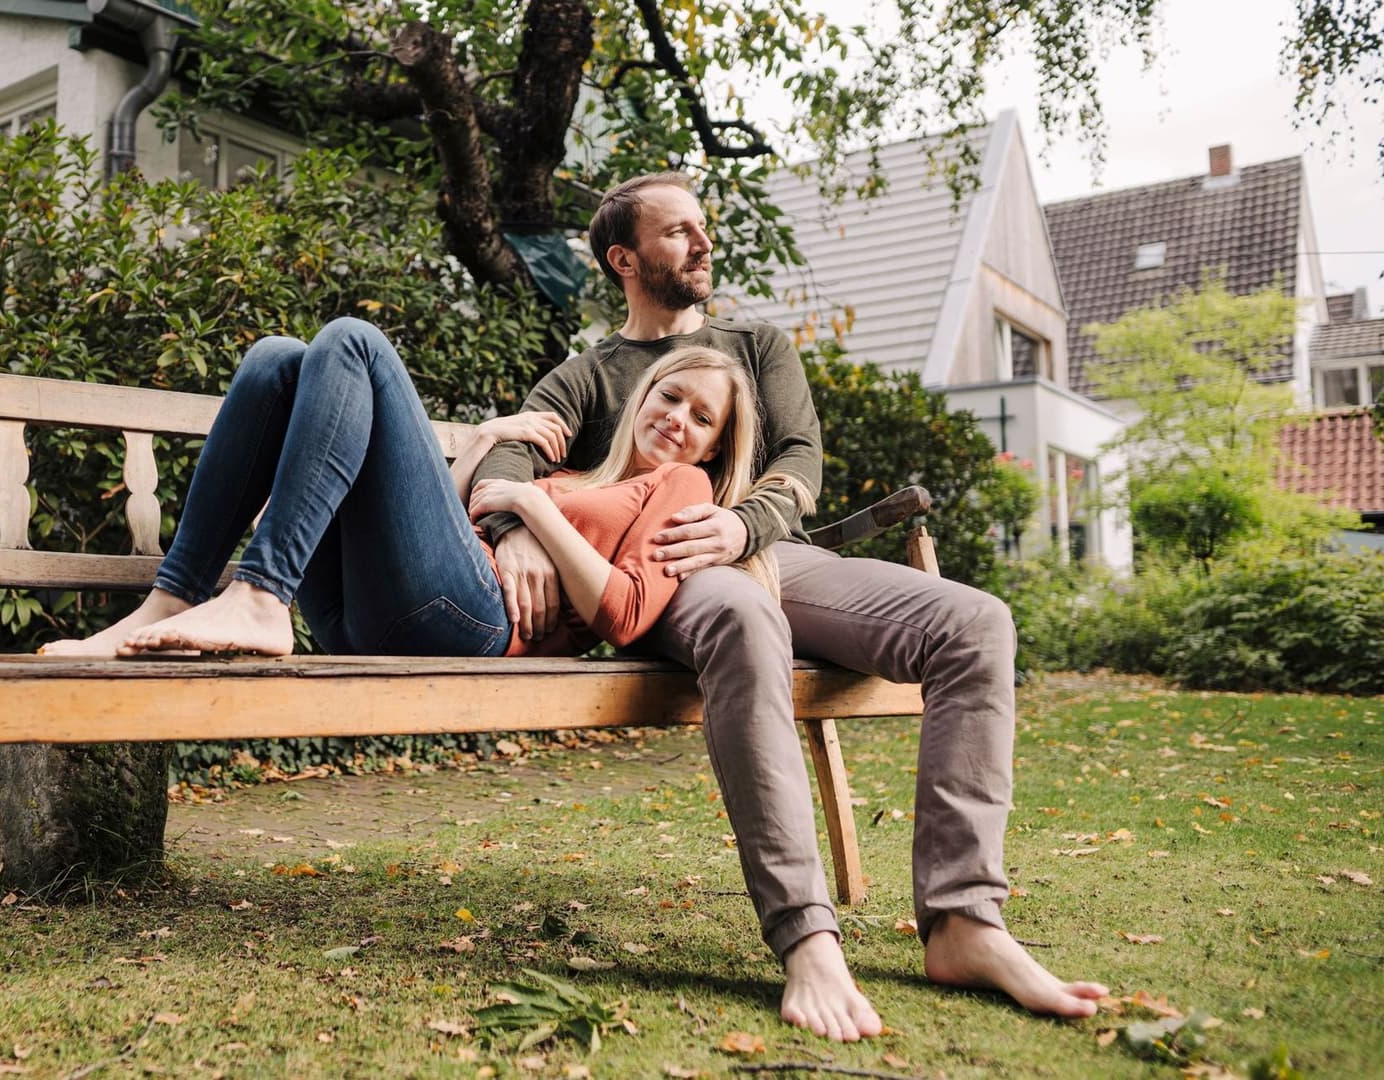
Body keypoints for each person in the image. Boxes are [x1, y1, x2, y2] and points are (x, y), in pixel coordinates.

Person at [469, 172, 1108, 1042]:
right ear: (623, 258)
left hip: (765, 550)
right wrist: (513, 527)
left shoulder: (756, 346)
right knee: (742, 616)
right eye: (677, 231)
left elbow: (799, 467)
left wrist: (738, 527)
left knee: (975, 624)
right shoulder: (585, 376)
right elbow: (509, 456)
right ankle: (806, 934)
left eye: (704, 227)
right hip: (662, 575)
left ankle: (964, 922)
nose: (702, 242)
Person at [38, 322, 763, 665]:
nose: (679, 420)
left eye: (703, 419)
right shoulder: (582, 476)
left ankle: (261, 597)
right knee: (277, 362)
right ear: (643, 397)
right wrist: (480, 450)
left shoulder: (685, 485)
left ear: (714, 446)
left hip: (476, 627)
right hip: (380, 611)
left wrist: (530, 505)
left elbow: (626, 615)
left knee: (353, 342)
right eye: (671, 396)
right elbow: (424, 527)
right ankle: (174, 599)